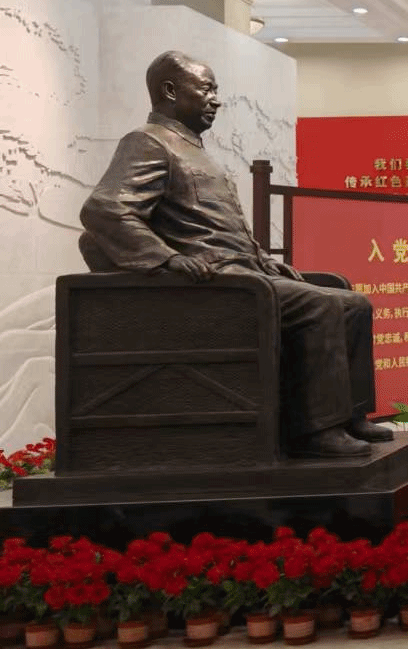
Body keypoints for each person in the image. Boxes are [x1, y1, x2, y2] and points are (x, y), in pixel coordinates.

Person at [80, 51, 385, 458]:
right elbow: (106, 209)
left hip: (244, 274)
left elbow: (219, 229)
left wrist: (263, 259)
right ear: (170, 91)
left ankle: (350, 414)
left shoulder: (194, 149)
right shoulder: (147, 142)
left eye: (215, 90)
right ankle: (317, 431)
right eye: (206, 89)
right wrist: (166, 259)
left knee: (352, 304)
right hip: (207, 286)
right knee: (319, 305)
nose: (215, 99)